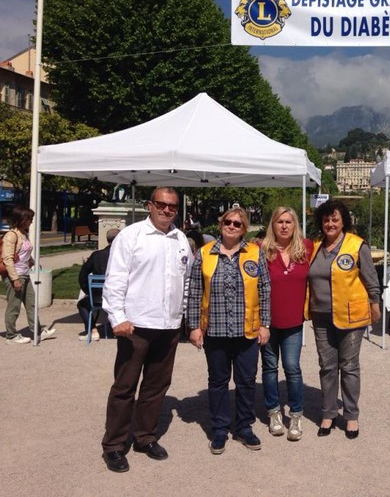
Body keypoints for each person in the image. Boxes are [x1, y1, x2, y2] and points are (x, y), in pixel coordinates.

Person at [100, 187, 192, 473]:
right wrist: (117, 317)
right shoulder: (131, 236)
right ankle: (114, 445)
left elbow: (185, 282)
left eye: (172, 206)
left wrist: (183, 316)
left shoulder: (181, 240)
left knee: (156, 386)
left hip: (168, 325)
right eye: (162, 205)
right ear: (149, 205)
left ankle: (144, 437)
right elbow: (115, 279)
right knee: (125, 386)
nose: (167, 210)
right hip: (136, 325)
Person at [186, 207, 271, 455]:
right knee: (218, 381)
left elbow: (265, 289)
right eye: (227, 222)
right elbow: (194, 292)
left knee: (245, 382)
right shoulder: (204, 253)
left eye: (237, 224)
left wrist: (265, 324)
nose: (231, 226)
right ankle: (220, 429)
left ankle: (244, 426)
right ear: (220, 224)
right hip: (215, 330)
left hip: (247, 330)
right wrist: (193, 327)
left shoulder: (255, 253)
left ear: (244, 229)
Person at [307, 199, 380, 439]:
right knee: (327, 367)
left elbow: (370, 278)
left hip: (351, 317)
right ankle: (328, 413)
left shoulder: (357, 246)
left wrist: (375, 304)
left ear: (343, 221)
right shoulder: (315, 247)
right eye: (326, 219)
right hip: (321, 316)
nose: (330, 223)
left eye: (335, 219)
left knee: (349, 366)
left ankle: (351, 416)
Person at [260, 207, 312, 441]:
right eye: (279, 221)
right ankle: (273, 412)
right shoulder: (261, 250)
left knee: (292, 367)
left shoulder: (307, 248)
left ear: (295, 225)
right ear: (272, 224)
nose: (284, 226)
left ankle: (296, 414)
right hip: (267, 321)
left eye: (288, 222)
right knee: (270, 369)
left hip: (293, 321)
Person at [2, 205, 56, 344]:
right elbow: (8, 258)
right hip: (15, 275)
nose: (31, 221)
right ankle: (11, 335)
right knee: (14, 306)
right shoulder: (11, 235)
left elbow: (23, 253)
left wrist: (31, 262)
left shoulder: (23, 234)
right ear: (21, 219)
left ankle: (37, 330)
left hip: (25, 274)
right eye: (29, 218)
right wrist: (15, 279)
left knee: (31, 304)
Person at [77, 228, 120, 341]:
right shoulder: (123, 256)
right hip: (120, 296)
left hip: (98, 297)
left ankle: (92, 330)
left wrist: (88, 291)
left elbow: (83, 275)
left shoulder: (96, 256)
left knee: (82, 304)